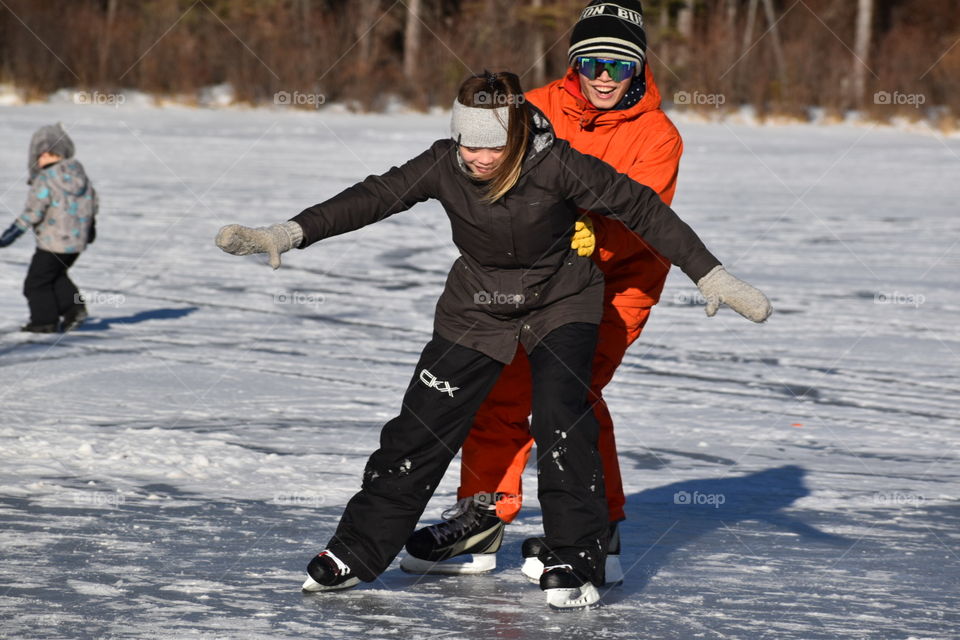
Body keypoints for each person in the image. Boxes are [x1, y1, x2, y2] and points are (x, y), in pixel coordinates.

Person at [215, 71, 771, 609]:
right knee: (417, 427)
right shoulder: (443, 162)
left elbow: (642, 207)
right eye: (469, 144)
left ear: (518, 137)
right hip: (476, 308)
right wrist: (287, 232)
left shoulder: (555, 163)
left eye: (494, 147)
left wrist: (711, 274)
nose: (479, 158)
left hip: (561, 303)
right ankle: (356, 550)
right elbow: (375, 196)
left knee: (561, 416)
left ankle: (577, 555)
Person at [401, 0, 686, 582]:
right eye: (591, 62)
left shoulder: (658, 137)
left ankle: (596, 530)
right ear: (574, 62)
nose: (603, 77)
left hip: (619, 282)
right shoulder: (533, 108)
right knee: (499, 383)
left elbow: (641, 220)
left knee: (568, 395)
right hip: (530, 278)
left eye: (619, 65)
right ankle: (482, 515)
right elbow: (492, 171)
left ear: (639, 68)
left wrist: (577, 234)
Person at [0, 123, 97, 333]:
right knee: (56, 275)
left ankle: (44, 321)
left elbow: (34, 211)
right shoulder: (80, 175)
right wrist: (90, 229)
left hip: (53, 242)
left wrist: (12, 233)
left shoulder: (46, 178)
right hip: (76, 242)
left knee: (36, 283)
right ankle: (74, 309)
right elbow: (92, 203)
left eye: (42, 155)